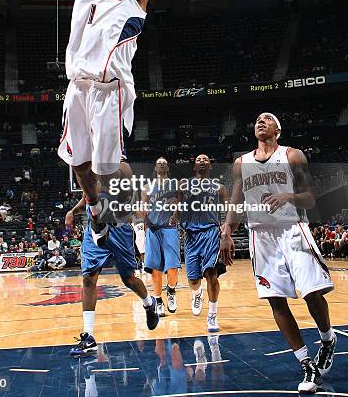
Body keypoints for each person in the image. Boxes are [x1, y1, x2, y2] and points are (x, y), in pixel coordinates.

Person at [58, 0, 164, 247]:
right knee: (76, 162)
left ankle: (128, 205)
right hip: (78, 84)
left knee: (106, 169)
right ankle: (93, 206)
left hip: (111, 89)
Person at [220, 112, 336, 393]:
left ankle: (327, 339)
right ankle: (307, 365)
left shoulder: (293, 156)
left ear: (278, 130)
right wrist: (225, 232)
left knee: (311, 292)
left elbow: (309, 198)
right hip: (261, 235)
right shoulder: (242, 163)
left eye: (267, 119)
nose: (260, 121)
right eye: (257, 119)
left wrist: (288, 196)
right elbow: (236, 201)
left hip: (293, 229)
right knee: (276, 301)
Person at [66, 176, 159, 356]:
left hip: (119, 230)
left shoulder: (119, 171)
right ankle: (89, 337)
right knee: (88, 279)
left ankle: (149, 303)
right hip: (95, 230)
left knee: (129, 280)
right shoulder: (90, 168)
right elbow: (88, 194)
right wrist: (72, 211)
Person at [181, 154, 228, 332]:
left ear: (210, 166)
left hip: (210, 233)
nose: (202, 160)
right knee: (193, 279)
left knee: (211, 274)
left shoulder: (219, 187)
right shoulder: (184, 186)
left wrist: (226, 225)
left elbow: (228, 208)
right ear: (194, 167)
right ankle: (197, 293)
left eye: (206, 159)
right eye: (199, 159)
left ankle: (212, 316)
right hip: (191, 235)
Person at [142, 157, 180, 317]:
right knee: (155, 269)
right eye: (159, 163)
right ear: (156, 168)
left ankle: (171, 290)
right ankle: (158, 300)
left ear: (167, 168)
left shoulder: (175, 184)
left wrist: (176, 213)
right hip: (152, 229)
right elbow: (143, 207)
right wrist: (144, 224)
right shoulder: (147, 187)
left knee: (172, 267)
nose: (162, 164)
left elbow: (181, 203)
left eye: (165, 162)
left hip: (169, 228)